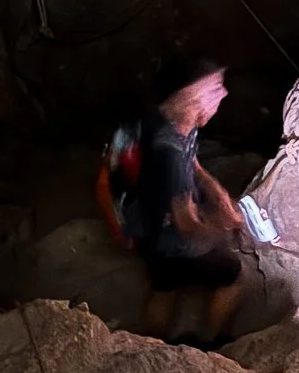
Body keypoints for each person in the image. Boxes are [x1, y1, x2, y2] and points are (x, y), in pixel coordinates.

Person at [102, 63, 249, 342]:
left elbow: (192, 163)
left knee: (164, 287)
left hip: (144, 223)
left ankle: (151, 344)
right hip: (165, 236)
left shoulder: (173, 119)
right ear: (190, 95)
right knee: (234, 275)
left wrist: (216, 193)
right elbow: (187, 224)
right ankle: (208, 344)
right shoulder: (167, 154)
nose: (224, 92)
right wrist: (227, 229)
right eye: (214, 87)